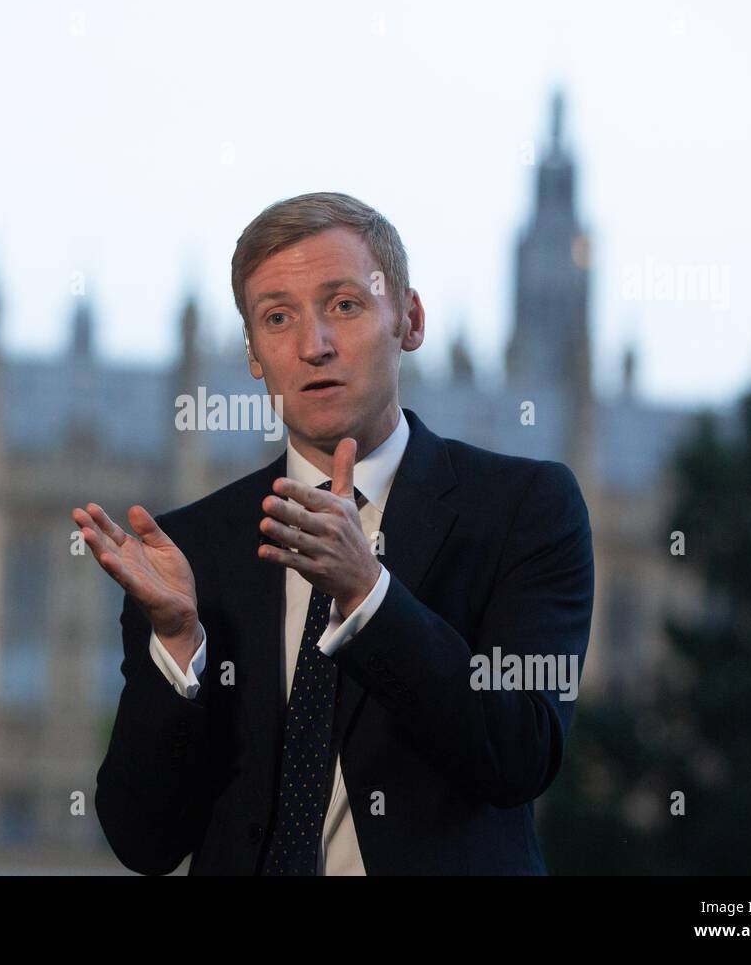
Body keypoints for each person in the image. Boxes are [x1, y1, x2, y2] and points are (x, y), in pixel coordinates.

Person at [73, 192, 594, 875]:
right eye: (278, 317)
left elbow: (520, 753)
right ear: (254, 354)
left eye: (344, 305)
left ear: (408, 320)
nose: (313, 345)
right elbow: (145, 841)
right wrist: (177, 644)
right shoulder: (192, 548)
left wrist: (368, 593)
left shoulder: (525, 509)